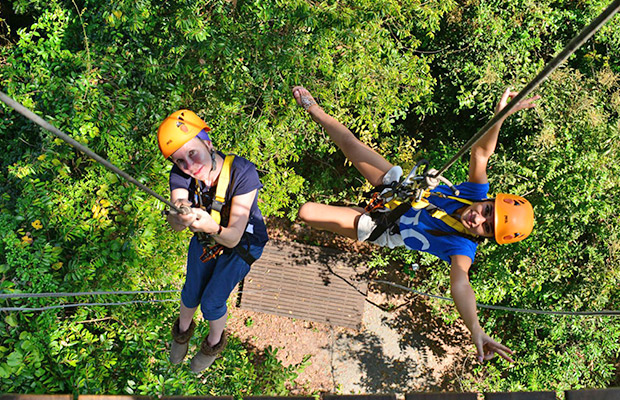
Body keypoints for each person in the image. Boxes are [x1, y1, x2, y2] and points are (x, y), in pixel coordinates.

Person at [293, 85, 539, 363]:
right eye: (486, 211)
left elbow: (461, 285)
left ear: (486, 236)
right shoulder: (474, 192)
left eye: (486, 226)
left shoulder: (462, 247)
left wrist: (475, 328)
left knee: (307, 212)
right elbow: (481, 154)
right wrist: (501, 117)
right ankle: (314, 108)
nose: (478, 218)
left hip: (385, 224)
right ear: (488, 200)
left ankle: (355, 210)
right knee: (351, 144)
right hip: (400, 189)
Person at [157, 109, 268, 372]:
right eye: (180, 161)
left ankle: (213, 343)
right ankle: (182, 332)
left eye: (192, 153)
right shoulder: (181, 174)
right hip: (207, 237)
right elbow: (176, 219)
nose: (189, 166)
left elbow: (231, 237)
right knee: (191, 291)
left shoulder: (243, 173)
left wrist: (211, 226)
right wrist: (178, 215)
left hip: (240, 243)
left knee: (211, 301)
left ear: (207, 143)